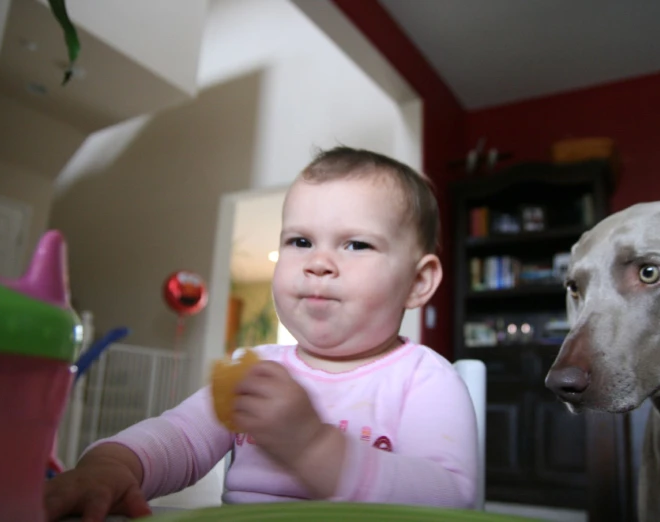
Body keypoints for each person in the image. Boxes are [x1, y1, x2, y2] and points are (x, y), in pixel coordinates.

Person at [44, 147, 478, 521]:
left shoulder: (425, 380)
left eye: (356, 244)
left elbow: (451, 499)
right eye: (301, 242)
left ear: (419, 282)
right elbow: (181, 437)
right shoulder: (255, 369)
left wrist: (314, 448)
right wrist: (115, 464)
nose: (318, 262)